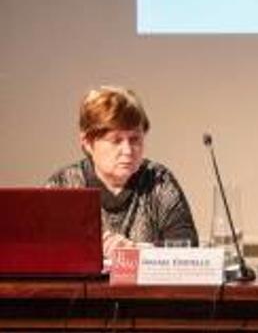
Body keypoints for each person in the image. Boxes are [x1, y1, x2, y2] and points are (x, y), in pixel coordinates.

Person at [46, 86, 198, 256]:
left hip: (145, 284)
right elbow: (42, 249)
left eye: (135, 139)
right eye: (116, 140)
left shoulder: (158, 181)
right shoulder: (64, 185)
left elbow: (188, 247)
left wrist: (137, 251)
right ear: (88, 142)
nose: (128, 150)